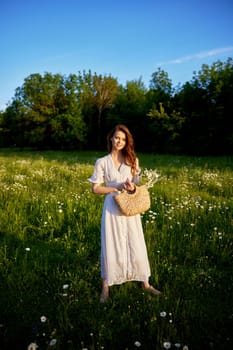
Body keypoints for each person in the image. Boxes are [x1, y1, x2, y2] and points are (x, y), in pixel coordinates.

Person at [89, 124, 161, 302]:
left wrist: (131, 187)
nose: (119, 141)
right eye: (117, 138)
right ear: (111, 139)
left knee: (135, 241)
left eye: (123, 139)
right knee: (111, 243)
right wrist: (116, 187)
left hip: (130, 207)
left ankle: (145, 283)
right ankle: (106, 286)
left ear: (126, 141)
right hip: (112, 207)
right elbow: (95, 189)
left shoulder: (132, 160)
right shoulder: (102, 162)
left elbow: (136, 184)